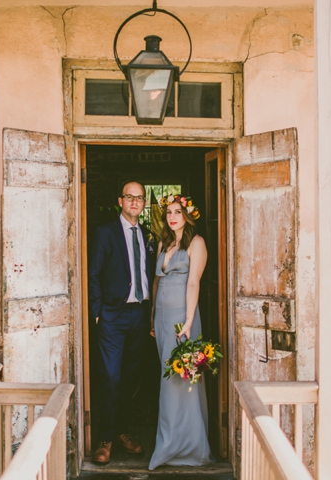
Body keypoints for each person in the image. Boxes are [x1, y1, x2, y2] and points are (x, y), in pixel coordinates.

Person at [88, 181, 152, 465]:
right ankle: (105, 437)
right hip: (113, 316)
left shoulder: (147, 234)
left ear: (144, 203)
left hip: (139, 315)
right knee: (111, 377)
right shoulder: (105, 232)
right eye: (130, 197)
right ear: (120, 201)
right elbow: (93, 274)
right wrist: (98, 312)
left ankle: (124, 431)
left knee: (131, 377)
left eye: (139, 198)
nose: (135, 202)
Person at [149, 194, 215, 470]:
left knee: (179, 378)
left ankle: (184, 445)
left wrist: (188, 321)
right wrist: (152, 315)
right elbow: (156, 281)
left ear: (188, 215)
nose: (172, 216)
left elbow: (193, 284)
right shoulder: (165, 242)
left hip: (182, 318)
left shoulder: (196, 243)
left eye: (178, 212)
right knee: (166, 373)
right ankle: (170, 441)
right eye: (168, 213)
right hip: (162, 318)